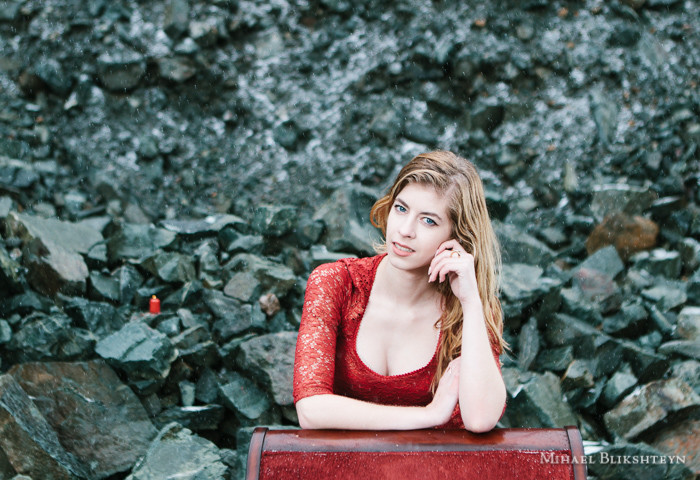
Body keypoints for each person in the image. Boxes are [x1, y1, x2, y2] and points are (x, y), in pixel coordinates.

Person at [293, 150, 506, 432]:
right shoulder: (337, 283)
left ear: (457, 237)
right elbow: (310, 409)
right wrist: (428, 416)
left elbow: (480, 420)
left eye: (428, 220)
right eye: (401, 209)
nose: (405, 230)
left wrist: (471, 301)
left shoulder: (469, 307)